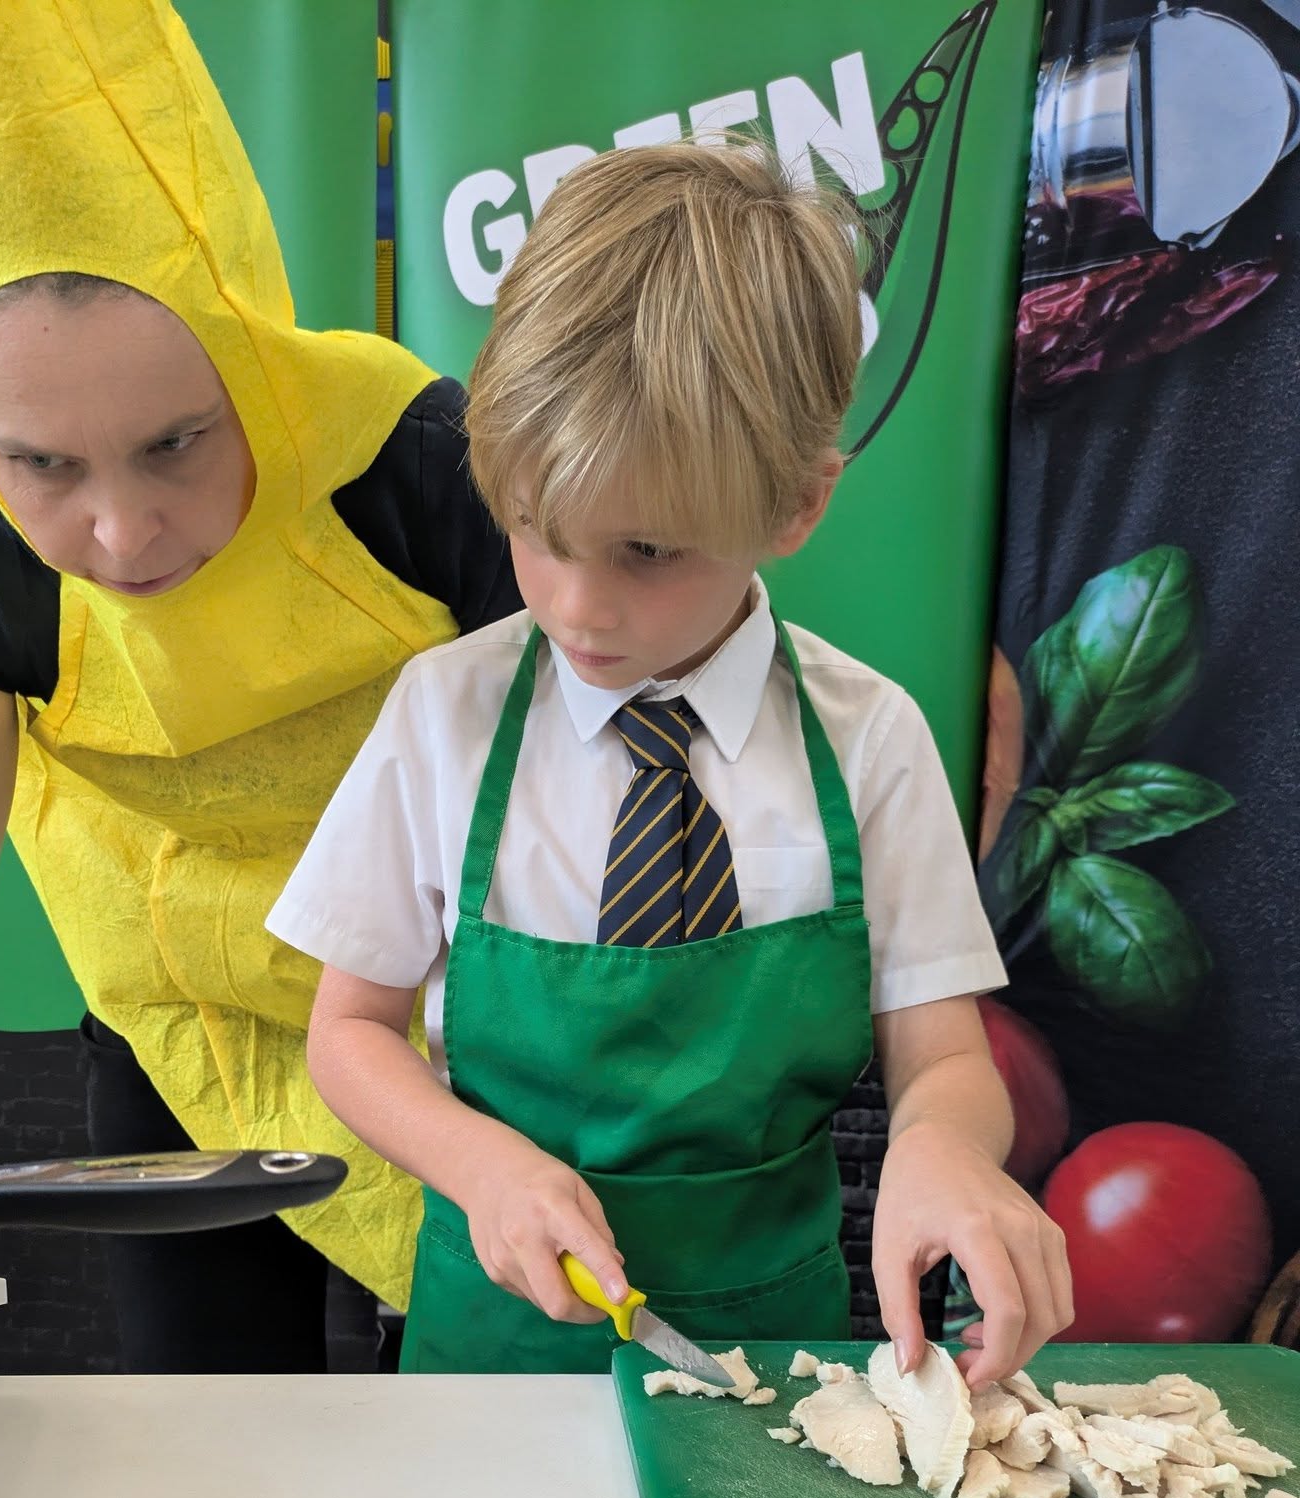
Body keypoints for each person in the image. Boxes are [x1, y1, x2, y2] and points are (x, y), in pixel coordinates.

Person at [0, 0, 518, 1371]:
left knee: (494, 1426)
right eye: (43, 465)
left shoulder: (412, 466)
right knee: (224, 1450)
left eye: (176, 444)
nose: (120, 534)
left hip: (460, 1032)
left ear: (252, 368)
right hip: (183, 1047)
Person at [269, 141, 1073, 1387]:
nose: (579, 606)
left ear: (798, 505)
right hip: (495, 1357)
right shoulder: (447, 712)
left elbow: (948, 1058)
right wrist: (480, 1163)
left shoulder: (873, 741)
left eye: (646, 551)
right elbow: (350, 1034)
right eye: (536, 532)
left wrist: (950, 1149)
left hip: (780, 1359)